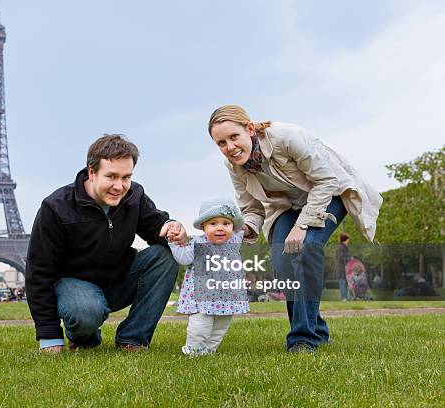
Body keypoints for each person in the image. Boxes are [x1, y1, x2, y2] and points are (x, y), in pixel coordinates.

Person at [208, 105, 382, 353]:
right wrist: (244, 229)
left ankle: (302, 339)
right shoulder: (234, 166)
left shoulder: (287, 137)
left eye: (234, 137)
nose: (230, 148)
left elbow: (326, 181)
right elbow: (251, 208)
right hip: (286, 207)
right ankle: (317, 329)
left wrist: (302, 225)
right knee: (281, 261)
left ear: (249, 129)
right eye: (221, 143)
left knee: (307, 248)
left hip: (329, 193)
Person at [26, 134, 186, 354]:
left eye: (126, 177)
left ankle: (133, 338)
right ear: (92, 172)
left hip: (118, 278)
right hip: (75, 287)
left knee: (165, 256)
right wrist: (49, 335)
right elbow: (38, 272)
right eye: (111, 176)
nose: (119, 186)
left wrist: (171, 227)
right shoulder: (55, 207)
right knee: (85, 311)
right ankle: (83, 335)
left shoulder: (134, 195)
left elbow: (155, 226)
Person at [169, 198, 249, 355]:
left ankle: (209, 351)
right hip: (202, 296)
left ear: (233, 227)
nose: (220, 228)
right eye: (213, 224)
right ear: (203, 227)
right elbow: (184, 258)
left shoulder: (234, 240)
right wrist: (173, 243)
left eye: (226, 224)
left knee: (221, 326)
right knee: (200, 326)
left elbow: (244, 227)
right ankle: (194, 351)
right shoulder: (197, 243)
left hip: (227, 295)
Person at [335, 233, 351, 301]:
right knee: (342, 283)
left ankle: (346, 298)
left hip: (345, 269)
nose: (349, 241)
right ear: (345, 239)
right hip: (341, 269)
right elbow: (340, 258)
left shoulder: (344, 247)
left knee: (345, 283)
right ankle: (344, 298)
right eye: (348, 239)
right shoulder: (341, 247)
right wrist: (349, 259)